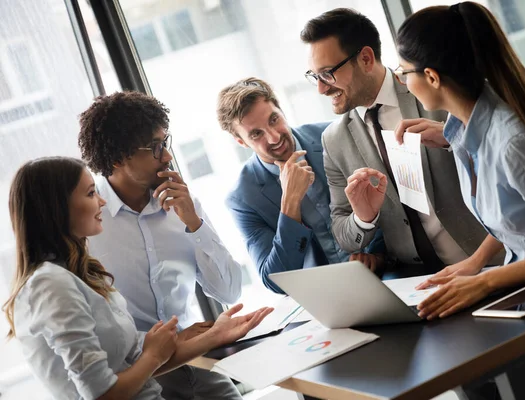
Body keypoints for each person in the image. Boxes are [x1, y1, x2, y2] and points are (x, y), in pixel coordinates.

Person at [393, 3, 525, 399]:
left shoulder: (511, 143)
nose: (404, 82)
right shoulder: (464, 132)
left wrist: (487, 280)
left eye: (405, 73)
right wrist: (475, 263)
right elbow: (519, 219)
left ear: (432, 76)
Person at [2, 156, 272, 400]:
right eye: (90, 193)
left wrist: (215, 336)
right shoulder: (50, 285)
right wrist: (154, 354)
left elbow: (138, 359)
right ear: (56, 209)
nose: (102, 201)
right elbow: (102, 394)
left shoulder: (76, 273)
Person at [301, 8, 495, 278]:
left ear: (366, 59)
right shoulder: (334, 140)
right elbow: (344, 236)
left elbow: (501, 157)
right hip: (417, 284)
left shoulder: (432, 87)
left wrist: (451, 138)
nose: (321, 88)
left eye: (328, 73)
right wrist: (363, 218)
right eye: (314, 76)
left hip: (489, 262)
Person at [78, 91, 244, 399]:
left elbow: (230, 291)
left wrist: (195, 223)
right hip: (135, 377)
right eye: (155, 148)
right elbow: (90, 330)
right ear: (118, 157)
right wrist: (169, 344)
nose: (167, 156)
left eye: (165, 143)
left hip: (198, 363)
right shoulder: (87, 222)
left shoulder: (183, 205)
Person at [218, 77, 385, 293]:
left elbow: (386, 201)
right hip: (321, 298)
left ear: (281, 110)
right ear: (241, 141)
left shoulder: (334, 137)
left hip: (383, 275)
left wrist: (378, 255)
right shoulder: (242, 198)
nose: (274, 137)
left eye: (273, 120)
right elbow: (275, 280)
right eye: (256, 134)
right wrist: (290, 202)